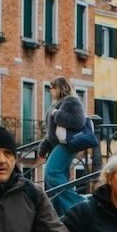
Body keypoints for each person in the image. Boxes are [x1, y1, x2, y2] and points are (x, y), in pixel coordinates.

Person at [40, 77, 93, 217]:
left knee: (52, 172)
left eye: (51, 88)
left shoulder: (71, 100)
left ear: (59, 88)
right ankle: (62, 212)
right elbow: (53, 131)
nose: (50, 91)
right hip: (60, 144)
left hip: (67, 144)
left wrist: (56, 114)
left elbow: (77, 121)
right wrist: (44, 146)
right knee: (60, 175)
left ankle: (79, 203)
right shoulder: (59, 103)